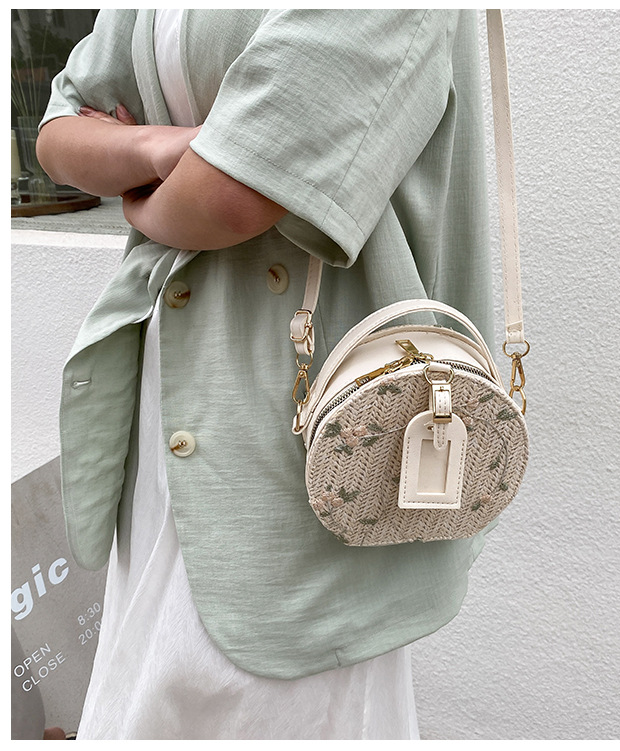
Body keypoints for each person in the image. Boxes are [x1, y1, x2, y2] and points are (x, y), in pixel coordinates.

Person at [36, 9, 496, 740]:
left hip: (317, 428)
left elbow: (227, 199)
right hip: (172, 401)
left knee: (274, 692)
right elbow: (57, 137)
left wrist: (140, 174)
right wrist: (170, 147)